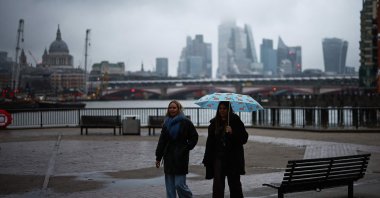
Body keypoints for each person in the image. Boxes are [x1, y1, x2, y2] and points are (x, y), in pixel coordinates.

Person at [202, 101, 249, 198]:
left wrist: (232, 132)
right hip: (218, 157)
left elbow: (244, 138)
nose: (222, 110)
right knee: (218, 185)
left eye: (224, 108)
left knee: (234, 184)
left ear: (229, 109)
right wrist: (207, 158)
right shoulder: (214, 123)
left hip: (233, 158)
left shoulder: (235, 121)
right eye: (220, 108)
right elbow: (209, 143)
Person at [155, 100, 199, 198]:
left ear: (179, 109)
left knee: (179, 184)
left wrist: (187, 147)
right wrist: (158, 157)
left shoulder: (186, 122)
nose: (172, 109)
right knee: (170, 187)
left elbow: (194, 136)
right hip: (168, 156)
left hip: (180, 156)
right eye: (170, 108)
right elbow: (162, 141)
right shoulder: (166, 123)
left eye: (174, 108)